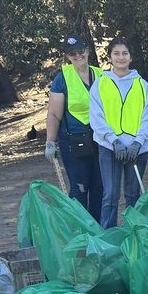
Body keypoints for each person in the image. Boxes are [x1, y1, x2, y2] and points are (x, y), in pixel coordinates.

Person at [90, 37, 148, 229]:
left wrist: (137, 142)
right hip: (109, 148)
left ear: (131, 57)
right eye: (116, 53)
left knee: (133, 194)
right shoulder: (100, 84)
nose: (121, 57)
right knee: (110, 195)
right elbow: (97, 117)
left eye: (124, 53)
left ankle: (132, 234)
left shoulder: (142, 85)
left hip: (138, 149)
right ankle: (108, 236)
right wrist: (114, 141)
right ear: (110, 57)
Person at [44, 34, 103, 218]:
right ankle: (79, 230)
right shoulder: (63, 78)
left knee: (99, 187)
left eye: (80, 51)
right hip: (73, 141)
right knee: (79, 188)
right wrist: (50, 142)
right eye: (72, 54)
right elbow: (54, 114)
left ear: (87, 51)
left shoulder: (100, 75)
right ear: (67, 57)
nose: (77, 56)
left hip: (99, 139)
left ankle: (99, 231)